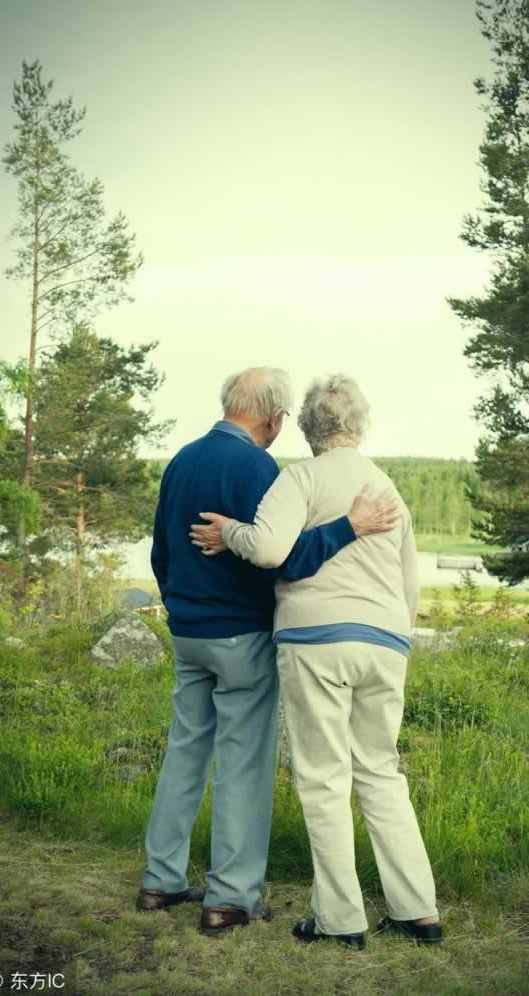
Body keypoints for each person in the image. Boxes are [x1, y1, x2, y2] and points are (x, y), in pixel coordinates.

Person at [137, 366, 397, 937]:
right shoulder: (259, 467)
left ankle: (160, 879)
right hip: (241, 636)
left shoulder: (180, 459)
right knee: (243, 763)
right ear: (274, 418)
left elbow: (160, 552)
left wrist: (180, 606)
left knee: (184, 751)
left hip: (188, 633)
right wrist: (349, 528)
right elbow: (283, 556)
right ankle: (229, 897)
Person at [192, 374, 441, 950]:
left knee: (324, 778)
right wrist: (395, 639)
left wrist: (231, 532)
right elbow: (409, 582)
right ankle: (417, 909)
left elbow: (272, 549)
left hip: (315, 642)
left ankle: (339, 919)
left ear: (305, 427)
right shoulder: (386, 486)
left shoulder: (299, 477)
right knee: (380, 772)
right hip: (385, 642)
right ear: (360, 424)